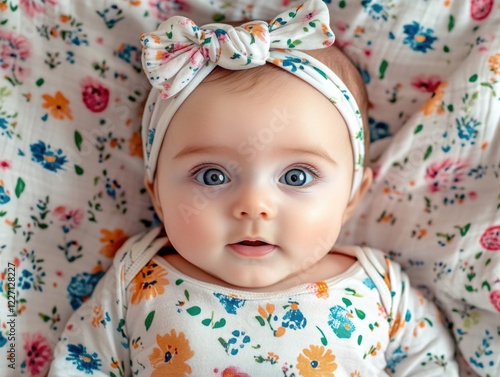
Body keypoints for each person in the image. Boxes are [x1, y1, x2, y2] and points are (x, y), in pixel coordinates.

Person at [48, 0, 459, 375]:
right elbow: (80, 365)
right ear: (156, 192)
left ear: (352, 195)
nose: (253, 206)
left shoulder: (379, 287)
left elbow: (433, 363)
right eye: (212, 176)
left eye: (296, 176)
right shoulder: (136, 282)